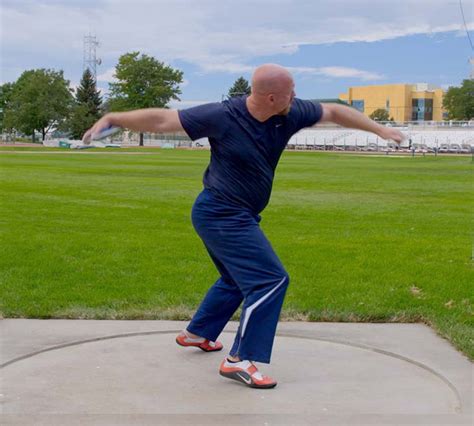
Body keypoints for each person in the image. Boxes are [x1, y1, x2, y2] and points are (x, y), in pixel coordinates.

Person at [83, 64, 404, 389]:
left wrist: (381, 130)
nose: (296, 96)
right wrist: (114, 118)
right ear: (271, 97)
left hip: (234, 213)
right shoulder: (224, 116)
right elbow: (165, 120)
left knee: (235, 279)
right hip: (220, 212)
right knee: (270, 280)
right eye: (290, 91)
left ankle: (197, 333)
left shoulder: (290, 112)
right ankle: (241, 360)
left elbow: (334, 111)